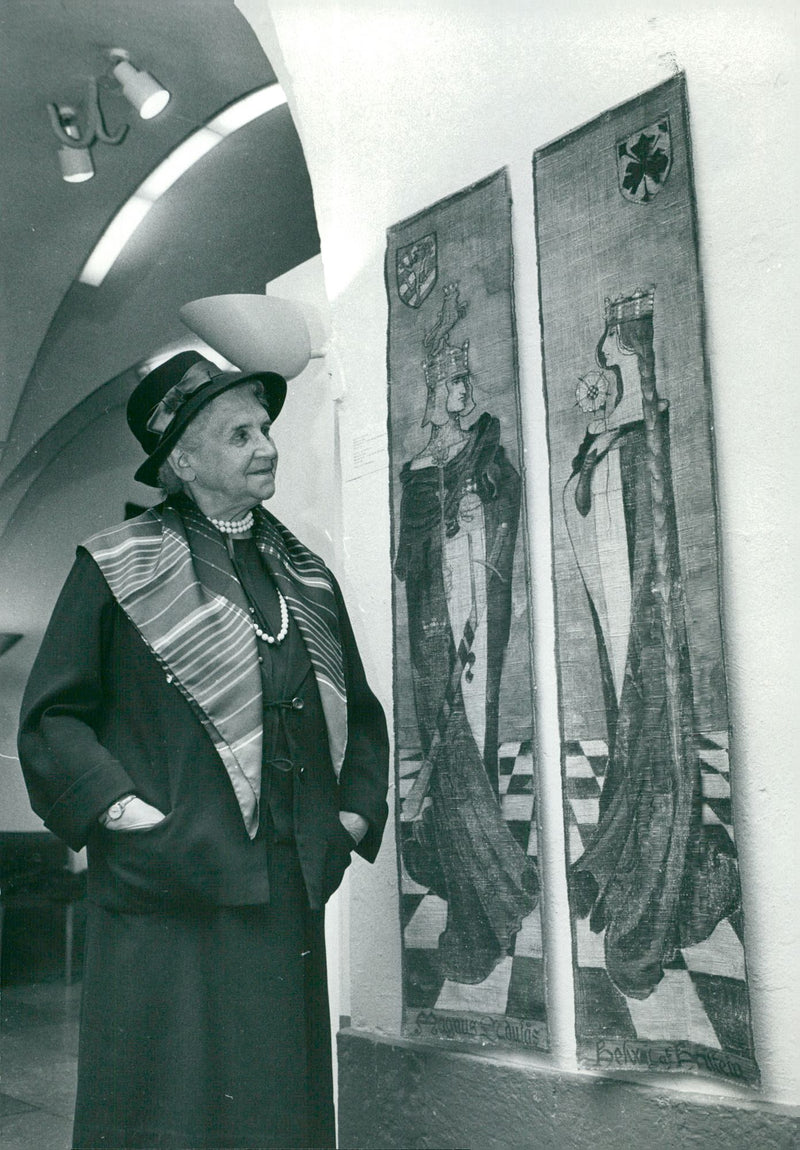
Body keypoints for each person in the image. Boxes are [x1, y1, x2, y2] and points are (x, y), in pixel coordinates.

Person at [17, 349, 389, 1150]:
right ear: (182, 462)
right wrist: (118, 807)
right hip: (165, 882)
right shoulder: (114, 566)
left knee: (271, 1102)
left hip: (280, 887)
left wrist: (355, 812)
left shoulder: (306, 578)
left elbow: (359, 713)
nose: (266, 446)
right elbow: (52, 718)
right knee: (168, 1106)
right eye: (239, 435)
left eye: (264, 429)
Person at [564, 289, 740, 999]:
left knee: (656, 733)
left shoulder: (649, 433)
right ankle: (629, 855)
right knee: (629, 727)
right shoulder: (611, 433)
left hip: (644, 614)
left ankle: (660, 892)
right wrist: (594, 447)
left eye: (616, 354)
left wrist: (614, 442)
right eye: (606, 357)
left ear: (636, 356)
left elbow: (652, 534)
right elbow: (580, 508)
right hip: (615, 606)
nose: (607, 368)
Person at [394, 285, 537, 985]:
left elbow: (510, 511)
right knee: (441, 739)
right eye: (453, 383)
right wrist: (444, 533)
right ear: (434, 394)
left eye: (465, 382)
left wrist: (480, 523)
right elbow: (407, 562)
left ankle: (480, 907)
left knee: (472, 735)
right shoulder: (417, 473)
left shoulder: (489, 452)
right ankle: (465, 871)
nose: (463, 392)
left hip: (478, 612)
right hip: (433, 625)